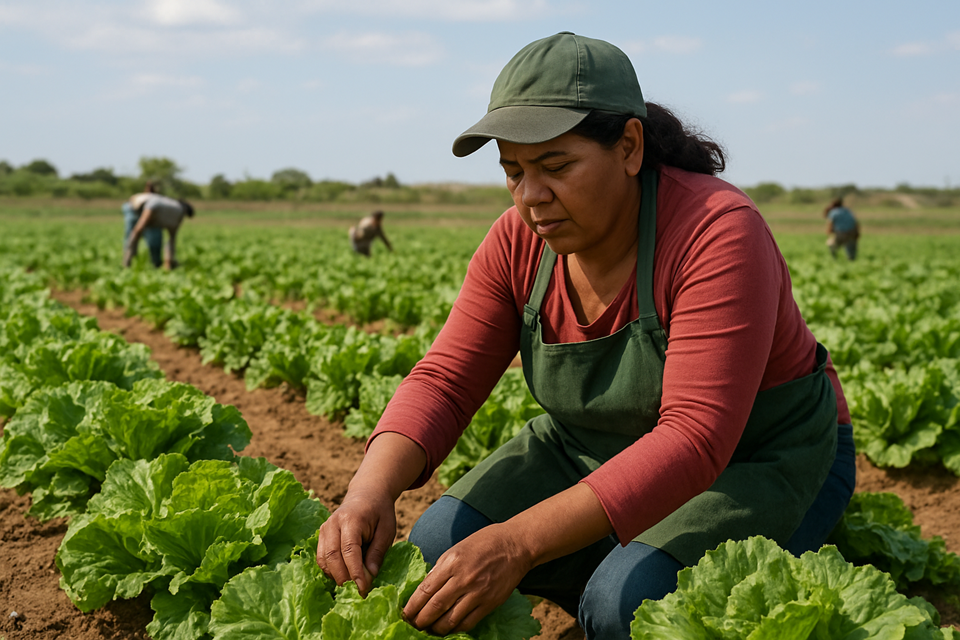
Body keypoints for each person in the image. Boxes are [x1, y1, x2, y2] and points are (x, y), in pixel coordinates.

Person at [316, 32, 856, 638]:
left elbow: (695, 437)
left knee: (626, 604)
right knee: (440, 543)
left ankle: (626, 569)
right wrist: (369, 490)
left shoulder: (716, 231)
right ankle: (615, 556)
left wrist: (519, 543)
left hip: (757, 458)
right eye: (512, 171)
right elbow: (444, 379)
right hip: (591, 447)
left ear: (629, 146)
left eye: (555, 166)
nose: (530, 196)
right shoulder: (517, 240)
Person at [122, 191, 194, 269]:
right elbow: (138, 229)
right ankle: (127, 262)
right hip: (134, 207)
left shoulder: (175, 211)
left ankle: (157, 264)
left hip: (152, 213)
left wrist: (169, 260)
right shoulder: (157, 205)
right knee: (133, 234)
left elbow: (171, 239)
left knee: (155, 241)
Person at [122, 181, 164, 268]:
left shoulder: (139, 196)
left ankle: (127, 262)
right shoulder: (155, 198)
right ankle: (156, 263)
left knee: (130, 240)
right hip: (142, 216)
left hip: (133, 214)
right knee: (154, 242)